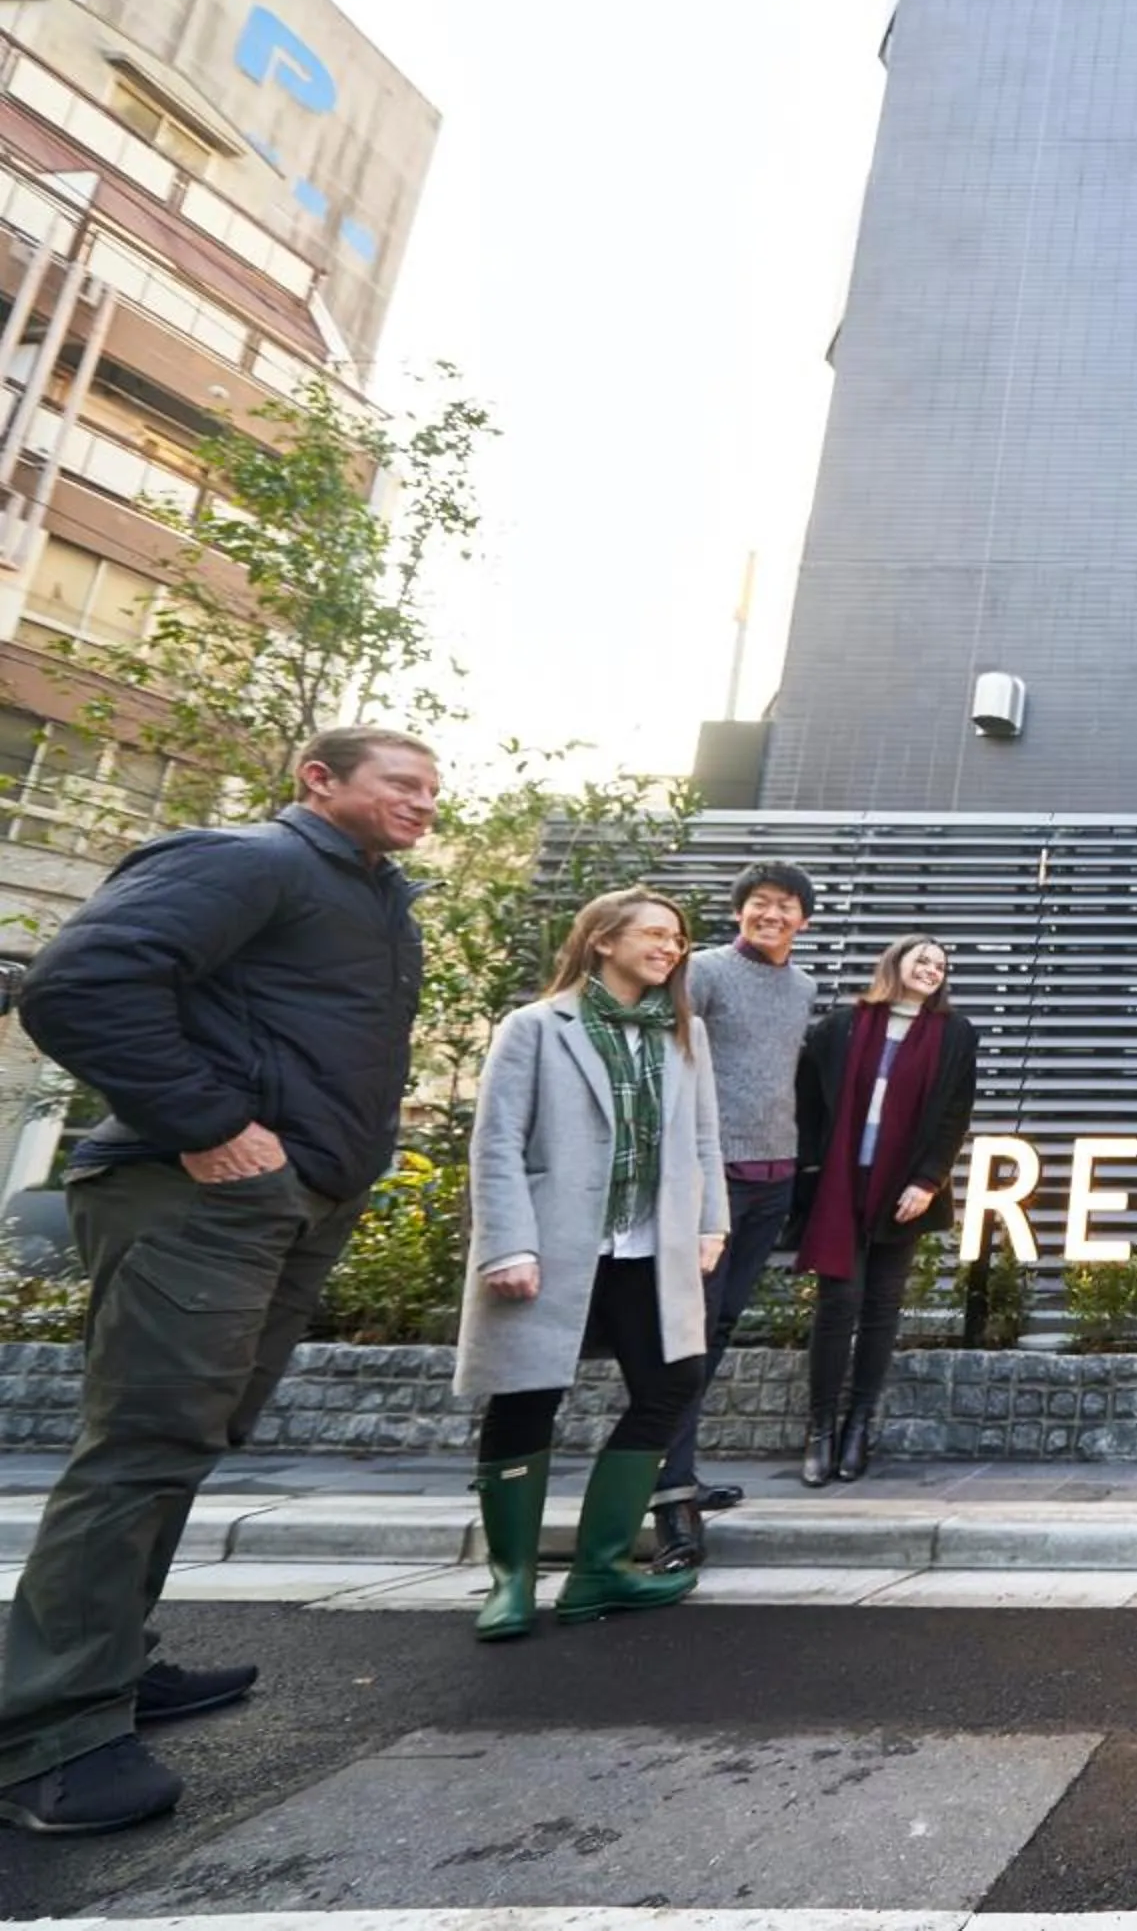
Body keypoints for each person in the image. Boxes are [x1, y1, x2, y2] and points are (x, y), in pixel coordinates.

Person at [0, 728, 437, 1836]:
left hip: (284, 1205)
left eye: (435, 788)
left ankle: (104, 1662)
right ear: (319, 780)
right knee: (144, 1444)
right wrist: (211, 1126)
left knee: (192, 1437)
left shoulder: (377, 900)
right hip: (196, 1196)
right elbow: (76, 984)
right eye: (402, 782)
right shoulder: (251, 859)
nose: (425, 802)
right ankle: (46, 1735)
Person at [456, 888, 727, 1643]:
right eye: (654, 934)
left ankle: (599, 1568)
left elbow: (705, 1141)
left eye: (677, 938)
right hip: (554, 1242)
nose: (670, 948)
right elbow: (497, 1143)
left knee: (672, 1380)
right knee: (526, 1393)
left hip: (648, 1245)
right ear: (602, 940)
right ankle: (511, 1580)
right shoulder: (537, 1027)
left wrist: (712, 1224)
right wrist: (507, 1243)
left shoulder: (682, 1034)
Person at [649, 861, 820, 1574]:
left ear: (804, 920)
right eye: (759, 904)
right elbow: (669, 1061)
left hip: (772, 1177)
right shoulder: (707, 972)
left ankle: (679, 1470)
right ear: (741, 912)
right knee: (687, 1332)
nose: (771, 915)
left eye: (784, 906)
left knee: (718, 1328)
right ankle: (670, 1496)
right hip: (709, 1178)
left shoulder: (804, 987)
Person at [793, 935, 980, 1485]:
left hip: (904, 1190)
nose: (931, 969)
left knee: (881, 1307)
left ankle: (858, 1425)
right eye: (921, 959)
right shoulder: (843, 1027)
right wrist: (807, 1170)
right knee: (838, 1302)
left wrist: (928, 1180)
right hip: (840, 1183)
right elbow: (806, 1101)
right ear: (894, 962)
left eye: (940, 965)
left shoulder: (954, 1034)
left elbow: (953, 1115)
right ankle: (820, 1426)